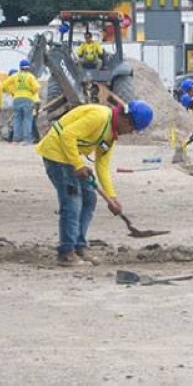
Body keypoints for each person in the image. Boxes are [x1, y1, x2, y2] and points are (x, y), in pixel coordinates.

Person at [37, 100, 154, 266]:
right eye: (132, 129)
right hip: (56, 153)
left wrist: (112, 197)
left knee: (89, 199)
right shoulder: (99, 116)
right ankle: (66, 252)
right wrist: (78, 165)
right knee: (72, 201)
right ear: (126, 121)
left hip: (71, 157)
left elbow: (102, 165)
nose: (130, 132)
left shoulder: (111, 134)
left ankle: (79, 246)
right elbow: (67, 135)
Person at [3, 59, 40, 145]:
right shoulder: (30, 76)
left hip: (17, 99)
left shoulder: (15, 76)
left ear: (20, 67)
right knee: (27, 119)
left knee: (17, 119)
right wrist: (31, 92)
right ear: (28, 68)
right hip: (27, 99)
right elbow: (37, 87)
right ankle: (26, 140)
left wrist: (12, 92)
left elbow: (4, 84)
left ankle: (16, 140)